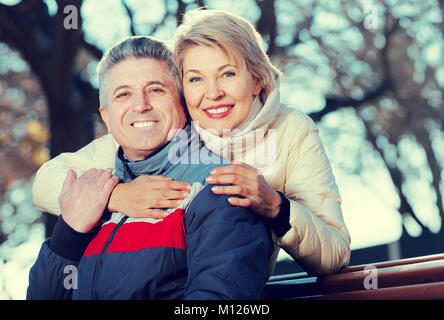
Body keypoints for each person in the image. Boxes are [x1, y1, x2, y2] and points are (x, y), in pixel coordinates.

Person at [32, 9, 351, 275]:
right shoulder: (168, 127)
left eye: (227, 74)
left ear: (256, 79)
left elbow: (334, 255)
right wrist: (119, 195)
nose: (213, 93)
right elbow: (47, 182)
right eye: (196, 78)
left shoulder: (291, 132)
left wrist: (276, 207)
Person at [27, 36, 272, 300]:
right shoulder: (94, 196)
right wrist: (69, 234)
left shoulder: (220, 187)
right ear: (106, 117)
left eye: (155, 90)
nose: (140, 105)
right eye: (123, 94)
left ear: (183, 104)